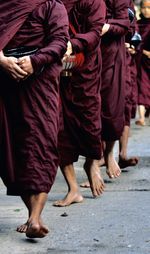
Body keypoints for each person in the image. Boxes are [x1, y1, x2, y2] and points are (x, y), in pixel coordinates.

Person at [0, 0, 69, 238]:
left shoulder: (52, 5)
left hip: (40, 81)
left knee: (42, 142)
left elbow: (60, 42)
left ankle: (35, 217)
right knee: (13, 148)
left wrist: (34, 61)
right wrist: (1, 60)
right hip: (6, 81)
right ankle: (32, 216)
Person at [53, 0, 106, 207]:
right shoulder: (55, 3)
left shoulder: (94, 2)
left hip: (86, 70)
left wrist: (72, 44)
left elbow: (95, 32)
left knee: (90, 123)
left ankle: (92, 163)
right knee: (59, 129)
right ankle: (73, 189)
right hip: (57, 69)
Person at [80, 0, 131, 189]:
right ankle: (93, 162)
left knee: (110, 107)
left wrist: (106, 27)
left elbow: (125, 23)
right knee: (88, 108)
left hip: (111, 54)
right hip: (87, 52)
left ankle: (109, 153)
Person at [118, 1, 139, 169]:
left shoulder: (128, 3)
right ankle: (102, 157)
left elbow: (133, 29)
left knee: (125, 105)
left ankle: (122, 154)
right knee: (103, 106)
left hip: (125, 60)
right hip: (106, 55)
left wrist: (132, 45)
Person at [135, 0, 150, 126]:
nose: (146, 10)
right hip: (141, 60)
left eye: (149, 8)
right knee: (142, 86)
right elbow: (136, 42)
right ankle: (141, 118)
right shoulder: (138, 24)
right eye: (144, 7)